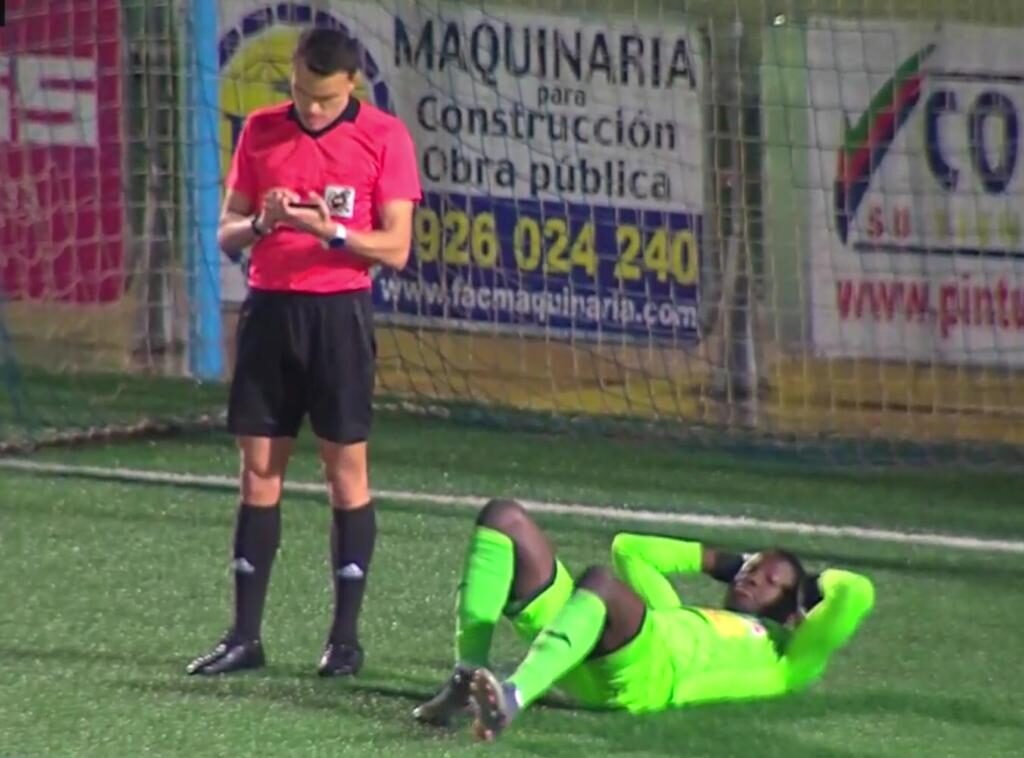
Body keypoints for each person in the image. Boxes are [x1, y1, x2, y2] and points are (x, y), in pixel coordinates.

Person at [186, 27, 421, 677]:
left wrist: (332, 232)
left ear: (351, 87)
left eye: (322, 97)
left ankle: (343, 641)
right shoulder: (262, 129)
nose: (309, 108)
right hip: (269, 312)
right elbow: (225, 231)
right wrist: (264, 222)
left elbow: (397, 248)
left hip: (338, 316)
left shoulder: (384, 137)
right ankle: (244, 637)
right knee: (258, 470)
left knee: (345, 474)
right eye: (299, 92)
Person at [413, 499, 875, 740]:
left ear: (793, 613)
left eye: (771, 580)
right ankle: (465, 674)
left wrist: (813, 589)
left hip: (645, 678)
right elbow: (629, 547)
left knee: (600, 583)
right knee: (504, 518)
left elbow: (857, 593)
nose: (754, 578)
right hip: (593, 646)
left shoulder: (788, 659)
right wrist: (723, 560)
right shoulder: (676, 611)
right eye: (753, 568)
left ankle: (512, 697)